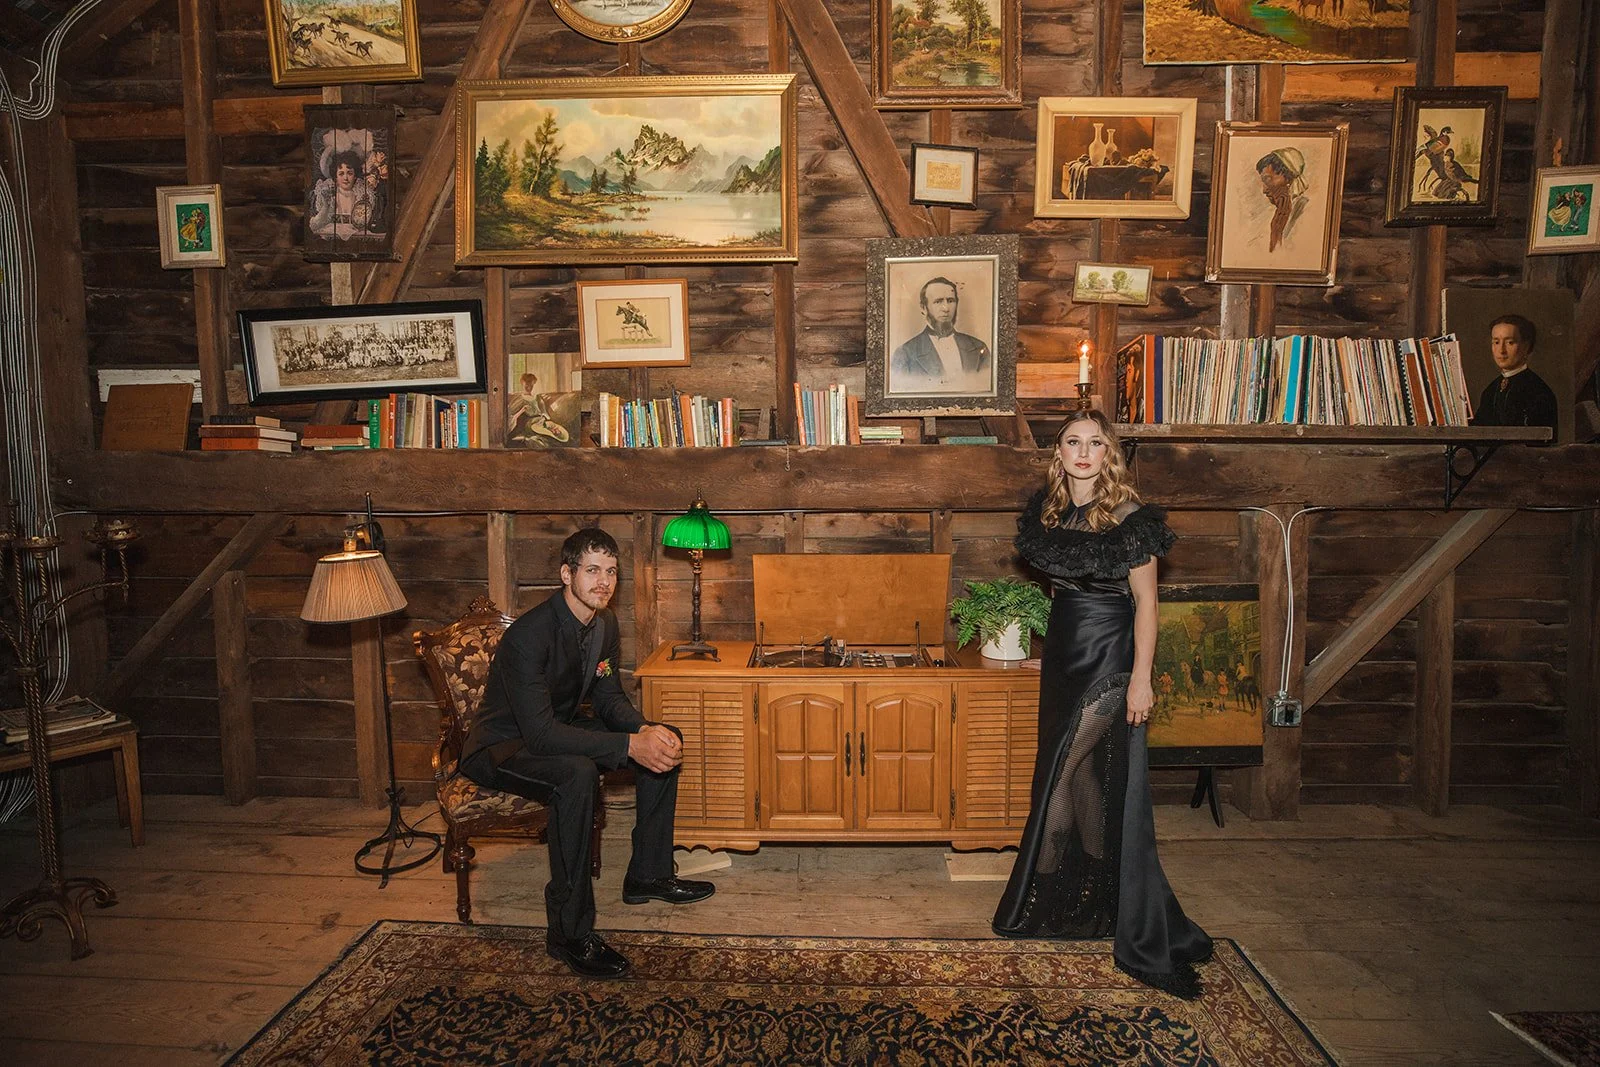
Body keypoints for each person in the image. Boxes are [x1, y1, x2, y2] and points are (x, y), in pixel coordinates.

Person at [993, 409, 1213, 999]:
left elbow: (1146, 603)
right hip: (1065, 658)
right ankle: (1093, 893)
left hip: (1113, 658)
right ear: (1058, 452)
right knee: (1077, 774)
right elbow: (1064, 592)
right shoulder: (1051, 511)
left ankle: (1075, 899)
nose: (1083, 452)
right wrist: (1050, 651)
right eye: (1073, 442)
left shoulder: (1129, 517)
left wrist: (1142, 678)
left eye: (1095, 443)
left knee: (1068, 774)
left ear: (1108, 453)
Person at [460, 528, 714, 979]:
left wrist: (644, 729)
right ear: (566, 574)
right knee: (576, 774)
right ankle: (569, 934)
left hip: (558, 728)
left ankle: (648, 875)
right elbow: (537, 736)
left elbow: (609, 699)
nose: (604, 582)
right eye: (593, 570)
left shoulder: (605, 624)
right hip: (502, 746)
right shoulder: (527, 636)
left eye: (612, 572)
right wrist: (626, 745)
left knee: (664, 737)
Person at [889, 277, 992, 394]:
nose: (946, 308)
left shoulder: (978, 348)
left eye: (950, 301)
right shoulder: (905, 354)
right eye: (938, 301)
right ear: (923, 308)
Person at [1469, 313, 1558, 437]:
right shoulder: (1490, 390)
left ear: (1526, 346)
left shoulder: (1537, 391)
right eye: (1496, 342)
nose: (1501, 350)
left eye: (1510, 342)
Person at [308, 148, 374, 240]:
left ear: (355, 175)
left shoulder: (361, 194)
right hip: (331, 231)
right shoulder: (330, 194)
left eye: (350, 173)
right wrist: (326, 207)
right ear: (335, 176)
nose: (346, 178)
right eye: (341, 174)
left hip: (356, 232)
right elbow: (319, 221)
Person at [1255, 148, 1308, 254]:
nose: (1264, 190)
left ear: (1289, 178)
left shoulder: (1306, 212)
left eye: (1268, 180)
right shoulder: (1270, 215)